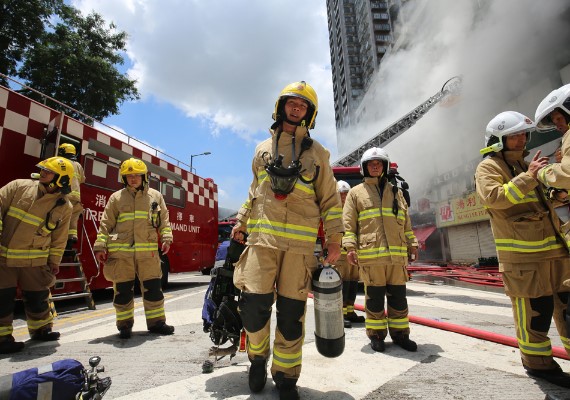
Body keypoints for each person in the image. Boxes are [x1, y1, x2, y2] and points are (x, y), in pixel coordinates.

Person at [231, 81, 343, 400]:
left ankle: (285, 378)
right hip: (262, 242)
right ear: (281, 107)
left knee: (291, 317)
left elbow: (331, 201)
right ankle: (257, 358)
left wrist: (334, 239)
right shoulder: (261, 150)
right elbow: (255, 192)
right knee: (253, 308)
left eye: (303, 106)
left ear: (310, 113)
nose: (296, 109)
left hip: (299, 249)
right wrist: (240, 222)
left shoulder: (318, 153)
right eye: (292, 103)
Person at [475, 111, 570, 388]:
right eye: (513, 135)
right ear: (498, 140)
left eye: (522, 135)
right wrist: (529, 177)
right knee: (535, 313)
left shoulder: (527, 165)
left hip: (557, 251)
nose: (520, 140)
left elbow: (542, 200)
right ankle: (538, 364)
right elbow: (495, 198)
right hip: (524, 259)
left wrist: (558, 193)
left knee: (567, 309)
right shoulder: (488, 167)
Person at [342, 147, 418, 353]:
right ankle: (376, 335)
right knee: (374, 299)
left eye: (379, 163)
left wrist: (412, 243)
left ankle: (401, 334)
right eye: (371, 164)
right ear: (364, 168)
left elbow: (406, 223)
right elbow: (348, 224)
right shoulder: (355, 194)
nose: (375, 166)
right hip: (371, 256)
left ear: (384, 167)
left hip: (396, 257)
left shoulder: (396, 193)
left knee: (398, 297)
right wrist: (350, 247)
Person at [93, 157, 174, 339]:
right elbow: (105, 224)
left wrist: (167, 238)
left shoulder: (155, 196)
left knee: (153, 289)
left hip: (148, 253)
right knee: (122, 291)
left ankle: (157, 323)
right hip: (121, 253)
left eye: (137, 175)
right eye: (129, 176)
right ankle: (124, 326)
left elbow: (164, 222)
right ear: (124, 178)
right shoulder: (116, 198)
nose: (133, 179)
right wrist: (100, 246)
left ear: (144, 176)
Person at [0, 157, 74, 354]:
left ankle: (41, 330)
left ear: (62, 179)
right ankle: (2, 338)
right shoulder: (19, 186)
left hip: (35, 259)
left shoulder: (64, 206)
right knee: (2, 298)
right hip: (5, 256)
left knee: (38, 296)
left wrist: (54, 261)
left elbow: (60, 238)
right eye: (42, 170)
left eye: (48, 172)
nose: (42, 173)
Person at [334, 180, 364, 329]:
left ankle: (350, 312)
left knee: (352, 283)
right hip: (339, 256)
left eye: (346, 194)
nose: (344, 197)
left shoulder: (353, 210)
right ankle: (340, 315)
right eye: (341, 194)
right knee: (342, 285)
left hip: (352, 254)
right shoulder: (333, 211)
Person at [58, 143, 85, 247]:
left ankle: (59, 241)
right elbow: (82, 179)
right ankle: (71, 239)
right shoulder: (78, 165)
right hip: (76, 197)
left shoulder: (61, 162)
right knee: (73, 219)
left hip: (64, 194)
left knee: (61, 218)